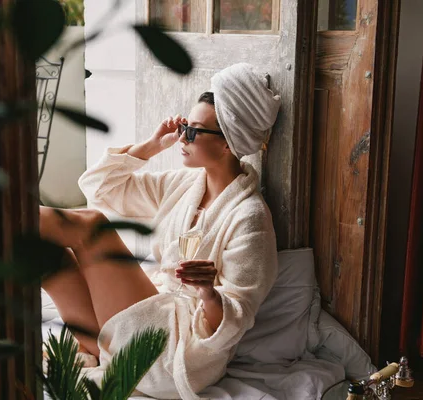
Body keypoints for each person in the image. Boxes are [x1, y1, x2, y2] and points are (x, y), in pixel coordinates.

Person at [40, 63, 282, 399]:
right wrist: (152, 146)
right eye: (185, 126)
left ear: (228, 144)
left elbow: (235, 319)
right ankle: (98, 347)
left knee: (92, 225)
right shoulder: (185, 185)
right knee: (46, 258)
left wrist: (208, 292)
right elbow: (98, 186)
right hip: (144, 324)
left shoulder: (250, 219)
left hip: (178, 352)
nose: (182, 137)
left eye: (193, 132)